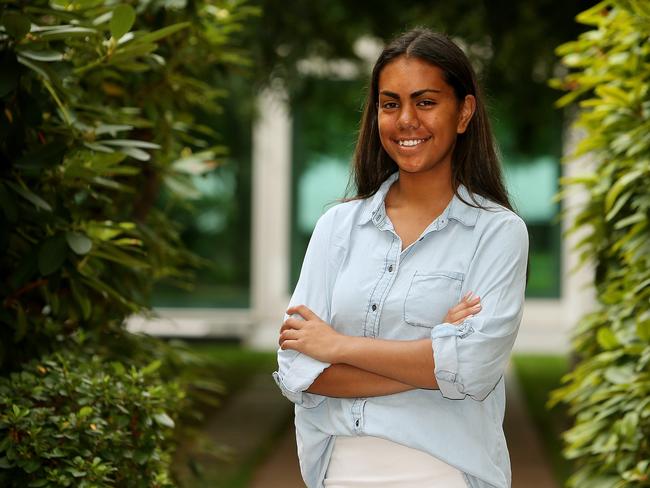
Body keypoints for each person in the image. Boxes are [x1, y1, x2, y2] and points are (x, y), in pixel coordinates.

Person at [273, 27, 529, 488]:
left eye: (426, 102)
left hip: (445, 475)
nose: (406, 119)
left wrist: (339, 347)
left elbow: (474, 367)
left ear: (464, 112)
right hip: (338, 474)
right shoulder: (337, 228)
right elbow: (297, 369)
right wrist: (434, 353)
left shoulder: (498, 233)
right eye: (390, 104)